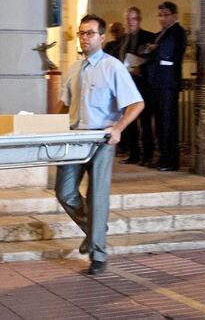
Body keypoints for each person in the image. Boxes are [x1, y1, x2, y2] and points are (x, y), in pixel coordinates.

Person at [55, 14, 144, 276]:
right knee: (65, 191)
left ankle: (98, 255)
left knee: (97, 195)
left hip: (101, 139)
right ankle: (95, 229)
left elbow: (136, 103)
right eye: (82, 33)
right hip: (73, 138)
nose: (85, 37)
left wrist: (118, 129)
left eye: (90, 33)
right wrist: (48, 128)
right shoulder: (73, 68)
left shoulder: (112, 67)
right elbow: (63, 104)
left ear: (102, 38)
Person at [144, 1, 187, 172]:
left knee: (168, 124)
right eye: (160, 15)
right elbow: (148, 52)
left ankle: (171, 160)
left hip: (168, 84)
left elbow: (166, 53)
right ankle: (163, 156)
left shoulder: (177, 32)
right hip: (157, 84)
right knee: (160, 124)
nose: (162, 18)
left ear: (174, 15)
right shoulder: (161, 34)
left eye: (165, 15)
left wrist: (155, 49)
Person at [117, 6, 157, 166]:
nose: (130, 22)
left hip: (143, 84)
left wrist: (141, 69)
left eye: (133, 19)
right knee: (129, 122)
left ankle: (148, 155)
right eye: (128, 19)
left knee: (145, 122)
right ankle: (134, 153)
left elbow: (152, 60)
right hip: (127, 85)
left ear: (139, 20)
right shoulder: (124, 39)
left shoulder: (148, 36)